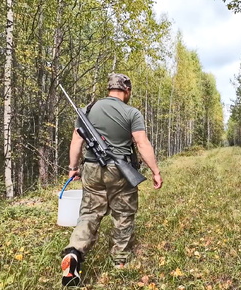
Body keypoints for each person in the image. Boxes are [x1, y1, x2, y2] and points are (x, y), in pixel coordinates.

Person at [60, 73, 163, 287]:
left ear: (109, 89)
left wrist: (73, 168)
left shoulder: (87, 111)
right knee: (123, 212)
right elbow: (142, 143)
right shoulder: (131, 112)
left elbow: (76, 141)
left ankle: (73, 253)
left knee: (89, 213)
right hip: (120, 170)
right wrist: (155, 171)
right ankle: (119, 261)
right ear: (127, 90)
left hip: (91, 168)